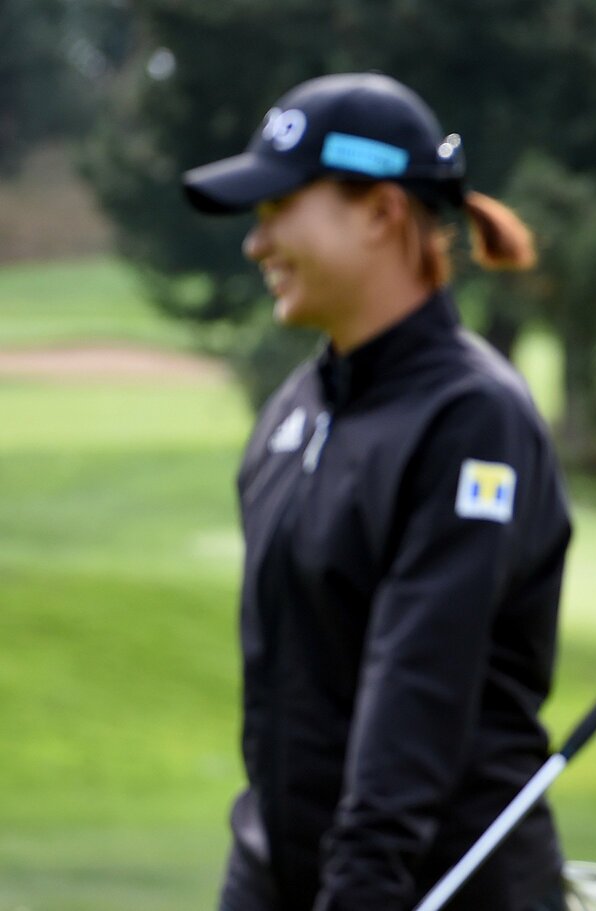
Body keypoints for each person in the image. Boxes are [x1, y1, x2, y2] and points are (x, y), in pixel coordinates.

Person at [183, 72, 571, 911]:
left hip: (436, 883)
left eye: (279, 208)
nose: (257, 244)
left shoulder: (473, 417)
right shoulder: (296, 408)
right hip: (283, 871)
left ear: (382, 213)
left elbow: (418, 687)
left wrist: (358, 889)